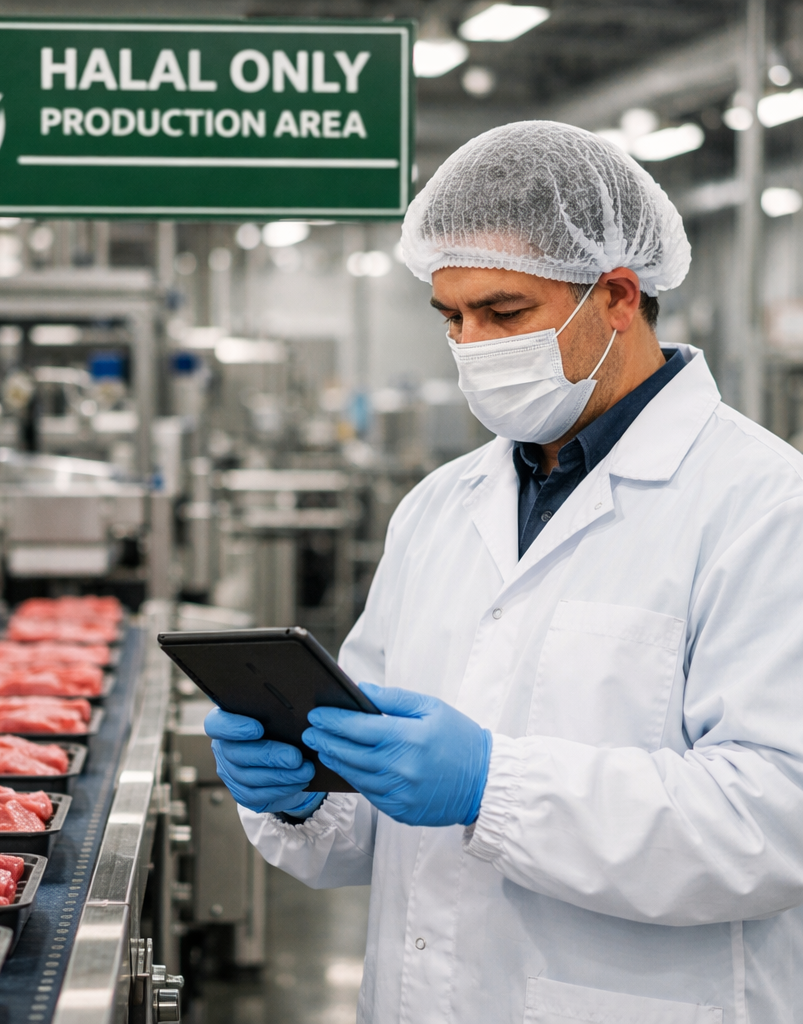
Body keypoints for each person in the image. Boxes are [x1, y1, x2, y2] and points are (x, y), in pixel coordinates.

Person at [205, 120, 803, 1023]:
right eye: (452, 318)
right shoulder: (440, 507)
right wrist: (304, 788)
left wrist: (495, 785)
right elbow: (364, 825)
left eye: (505, 314)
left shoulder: (763, 505)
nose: (473, 343)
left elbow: (773, 822)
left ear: (618, 296)